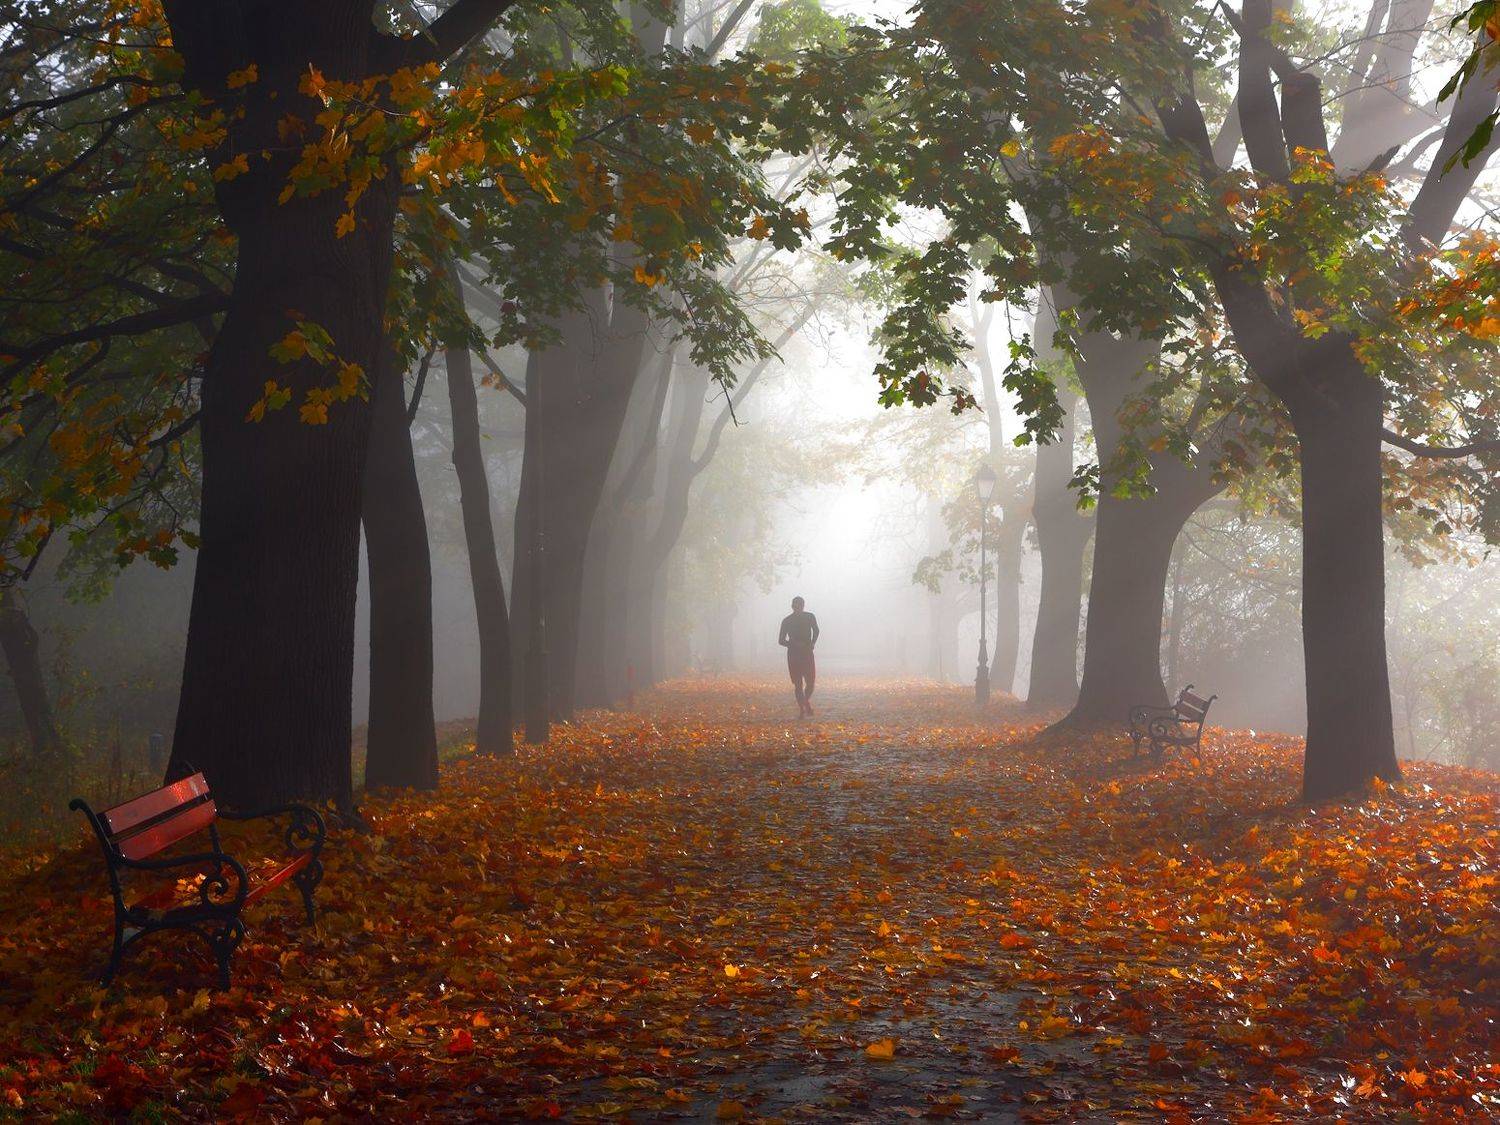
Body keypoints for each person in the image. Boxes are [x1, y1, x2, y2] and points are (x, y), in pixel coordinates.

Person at [778, 596, 820, 716]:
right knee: (798, 684)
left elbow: (816, 630)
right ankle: (802, 708)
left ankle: (805, 702)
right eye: (796, 606)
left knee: (810, 683)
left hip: (806, 652)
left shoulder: (810, 617)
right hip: (794, 654)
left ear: (803, 606)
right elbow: (781, 640)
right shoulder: (787, 621)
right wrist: (793, 644)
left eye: (800, 606)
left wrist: (812, 643)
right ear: (792, 606)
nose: (798, 608)